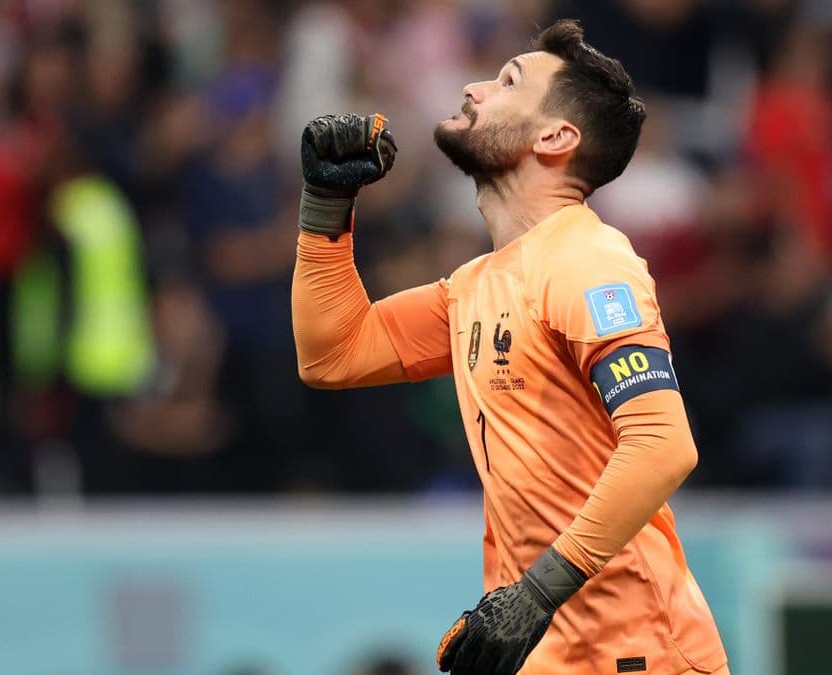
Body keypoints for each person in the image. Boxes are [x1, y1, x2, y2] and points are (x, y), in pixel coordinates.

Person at [291, 20, 728, 675]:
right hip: (547, 651)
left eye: (507, 82)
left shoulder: (589, 261)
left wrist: (536, 591)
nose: (473, 87)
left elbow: (663, 443)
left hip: (637, 652)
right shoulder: (478, 284)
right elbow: (333, 352)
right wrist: (326, 205)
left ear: (554, 136)